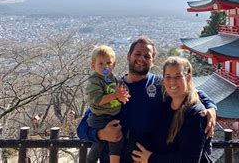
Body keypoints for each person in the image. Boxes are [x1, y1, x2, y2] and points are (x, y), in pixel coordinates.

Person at [81, 36, 216, 163]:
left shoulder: (160, 85)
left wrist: (211, 107)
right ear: (128, 56)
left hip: (147, 157)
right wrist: (100, 134)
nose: (141, 59)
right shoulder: (114, 88)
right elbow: (82, 128)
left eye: (147, 56)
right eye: (137, 54)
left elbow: (189, 90)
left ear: (153, 62)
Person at [132, 56, 212, 163]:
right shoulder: (164, 104)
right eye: (168, 77)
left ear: (188, 78)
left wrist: (151, 158)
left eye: (178, 76)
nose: (172, 82)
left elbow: (190, 159)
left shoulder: (195, 113)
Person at [86, 45, 131, 163]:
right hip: (100, 117)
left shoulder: (113, 78)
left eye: (108, 63)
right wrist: (115, 96)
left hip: (111, 116)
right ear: (93, 65)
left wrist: (124, 95)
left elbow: (122, 88)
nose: (105, 66)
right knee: (113, 139)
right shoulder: (95, 80)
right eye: (100, 63)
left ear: (113, 65)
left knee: (106, 142)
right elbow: (98, 100)